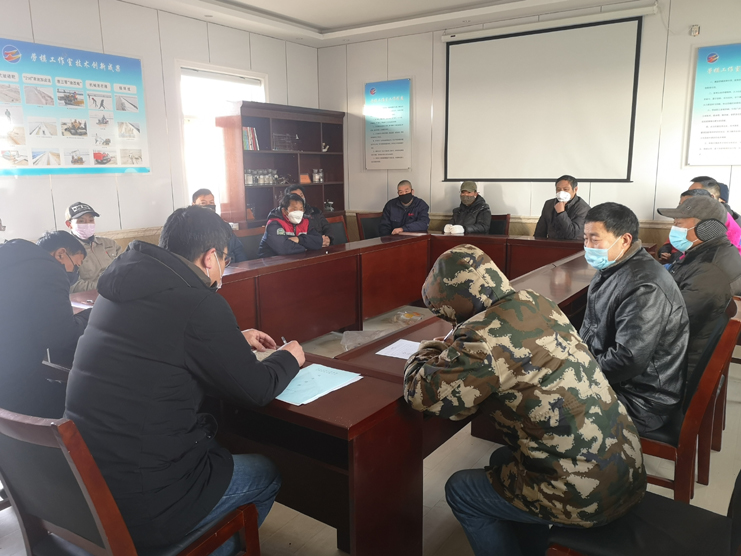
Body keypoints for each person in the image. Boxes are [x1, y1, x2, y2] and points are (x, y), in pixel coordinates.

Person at [64, 206, 304, 551]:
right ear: (210, 257)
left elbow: (158, 341)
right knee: (266, 473)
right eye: (225, 260)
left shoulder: (115, 290)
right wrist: (289, 356)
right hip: (145, 497)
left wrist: (231, 339)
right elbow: (258, 388)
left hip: (88, 481)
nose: (223, 268)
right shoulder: (198, 302)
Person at [403, 244, 646, 556]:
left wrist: (427, 349)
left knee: (460, 490)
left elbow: (422, 395)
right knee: (501, 459)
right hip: (625, 467)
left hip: (588, 495)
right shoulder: (535, 301)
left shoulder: (481, 336)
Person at [579, 203, 688, 433]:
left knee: (546, 406)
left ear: (625, 240)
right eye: (585, 238)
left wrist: (579, 372)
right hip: (620, 382)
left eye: (595, 239)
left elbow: (628, 359)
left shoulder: (645, 286)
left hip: (642, 400)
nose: (588, 246)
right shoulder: (614, 268)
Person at [0, 231, 90, 418]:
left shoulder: (10, 258)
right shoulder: (50, 271)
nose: (75, 273)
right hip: (13, 385)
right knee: (86, 402)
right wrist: (88, 316)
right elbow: (60, 337)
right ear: (61, 254)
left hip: (8, 374)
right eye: (76, 265)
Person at [657, 195, 741, 382]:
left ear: (707, 228)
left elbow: (671, 325)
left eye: (679, 224)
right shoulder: (709, 253)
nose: (674, 229)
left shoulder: (710, 270)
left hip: (678, 368)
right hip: (681, 352)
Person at [658, 189, 741, 264]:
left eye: (689, 204)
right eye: (681, 204)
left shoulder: (714, 260)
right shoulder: (683, 225)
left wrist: (673, 258)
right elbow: (669, 243)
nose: (682, 209)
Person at [65, 201, 123, 292]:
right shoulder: (66, 252)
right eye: (81, 221)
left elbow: (124, 267)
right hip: (91, 296)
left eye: (91, 220)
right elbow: (73, 286)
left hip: (119, 291)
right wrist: (105, 286)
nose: (87, 224)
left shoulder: (109, 243)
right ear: (69, 224)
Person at [258, 194, 323, 258]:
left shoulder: (305, 221)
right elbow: (284, 248)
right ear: (284, 211)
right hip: (271, 261)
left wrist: (299, 239)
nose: (299, 212)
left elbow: (318, 241)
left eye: (301, 209)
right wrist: (306, 247)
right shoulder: (274, 223)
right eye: (295, 209)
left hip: (297, 259)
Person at [192, 188, 247, 263]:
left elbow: (238, 250)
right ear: (193, 205)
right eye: (203, 203)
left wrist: (242, 267)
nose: (209, 205)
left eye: (211, 202)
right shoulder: (190, 229)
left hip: (230, 266)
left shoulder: (224, 227)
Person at [266, 185, 333, 247]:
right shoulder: (279, 220)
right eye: (295, 196)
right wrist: (309, 244)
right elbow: (285, 245)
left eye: (301, 195)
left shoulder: (315, 211)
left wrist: (328, 239)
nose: (299, 198)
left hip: (319, 246)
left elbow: (326, 227)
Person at [534, 175, 591, 240]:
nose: (561, 192)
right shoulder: (549, 204)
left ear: (575, 189)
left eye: (565, 189)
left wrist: (561, 213)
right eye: (558, 189)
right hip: (551, 243)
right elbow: (539, 233)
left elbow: (572, 235)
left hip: (573, 244)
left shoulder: (583, 209)